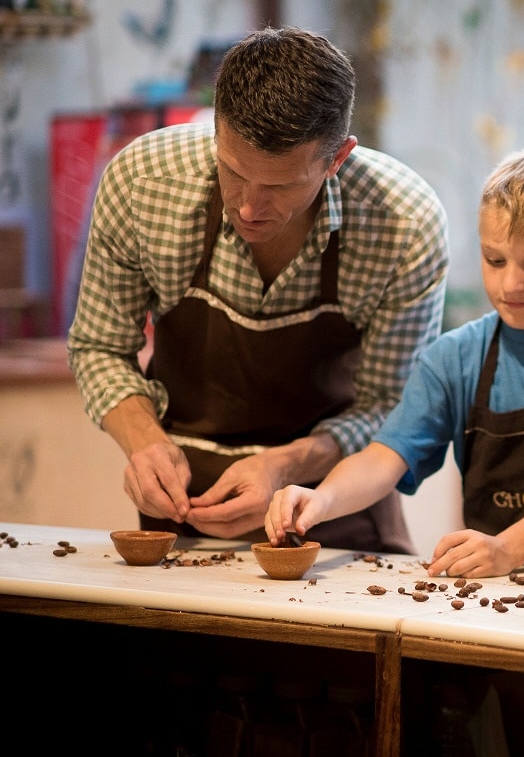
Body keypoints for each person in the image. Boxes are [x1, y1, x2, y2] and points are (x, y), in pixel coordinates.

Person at [67, 27, 448, 553]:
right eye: (233, 171)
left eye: (281, 186)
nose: (248, 207)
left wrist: (283, 466)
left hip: (330, 510)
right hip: (183, 503)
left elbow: (391, 405)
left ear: (337, 159)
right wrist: (144, 443)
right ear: (216, 129)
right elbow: (100, 346)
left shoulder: (403, 223)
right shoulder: (141, 184)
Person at [264, 145, 524, 577]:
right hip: (490, 581)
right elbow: (383, 459)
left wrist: (507, 550)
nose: (511, 282)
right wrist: (321, 499)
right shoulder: (455, 357)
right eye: (494, 259)